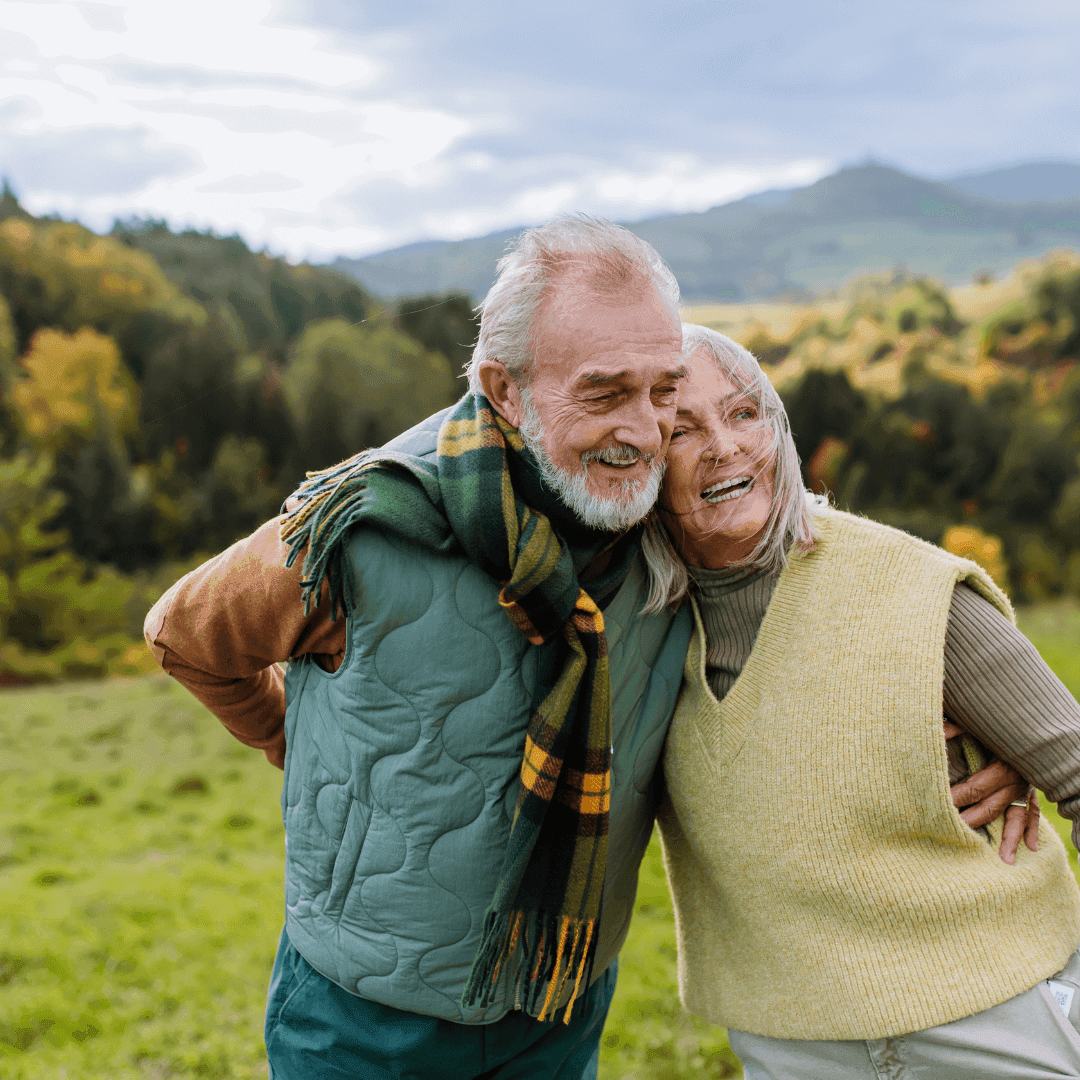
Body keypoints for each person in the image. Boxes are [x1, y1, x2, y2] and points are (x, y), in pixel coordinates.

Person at [144, 216, 1026, 1079]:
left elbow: (802, 595)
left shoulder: (660, 524)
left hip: (558, 1006)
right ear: (504, 387)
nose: (642, 430)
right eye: (605, 393)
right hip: (364, 1023)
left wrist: (977, 726)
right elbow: (185, 636)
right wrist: (286, 735)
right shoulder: (364, 526)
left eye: (663, 391)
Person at [650, 323, 1080, 1079]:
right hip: (790, 1044)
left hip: (998, 1022)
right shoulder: (632, 626)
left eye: (745, 412)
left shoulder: (912, 592)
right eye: (680, 429)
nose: (724, 445)